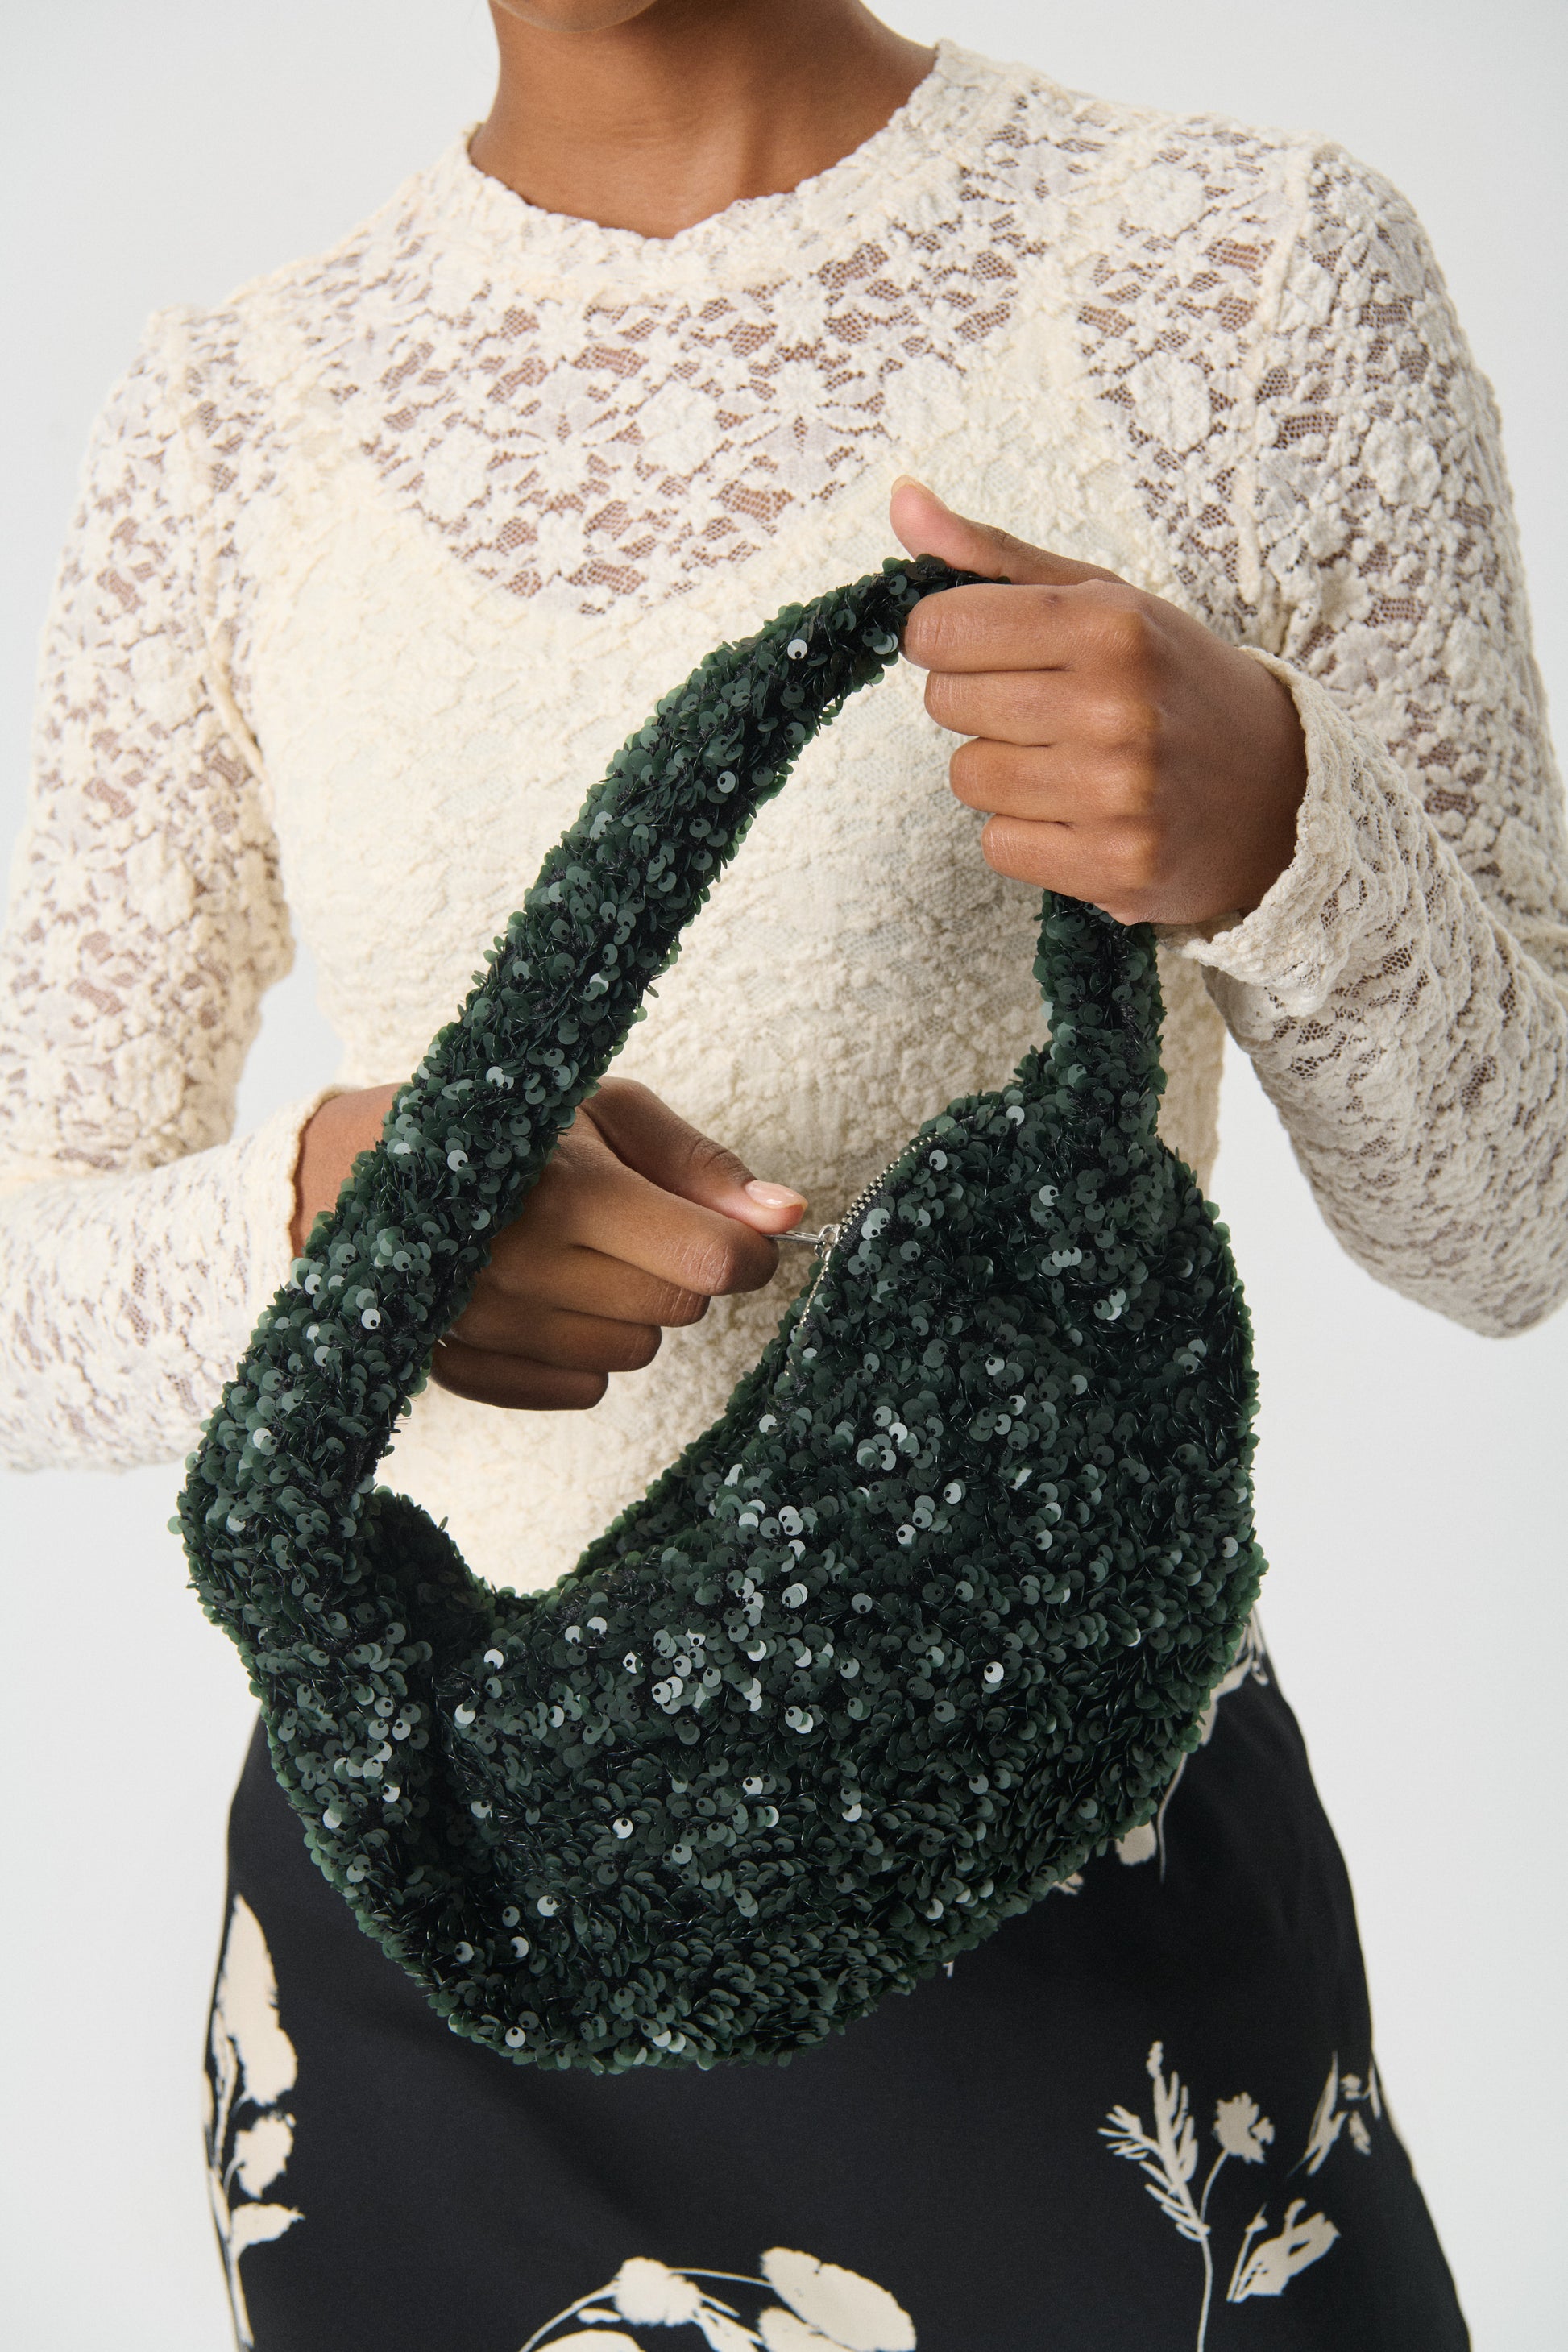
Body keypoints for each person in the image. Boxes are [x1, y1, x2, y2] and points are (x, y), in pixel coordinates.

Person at [2, 2, 1563, 2343]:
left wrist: (1286, 834)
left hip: (1074, 1877)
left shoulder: (1242, 274)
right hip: (451, 1926)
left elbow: (1511, 1226)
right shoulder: (235, 411)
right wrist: (340, 1228)